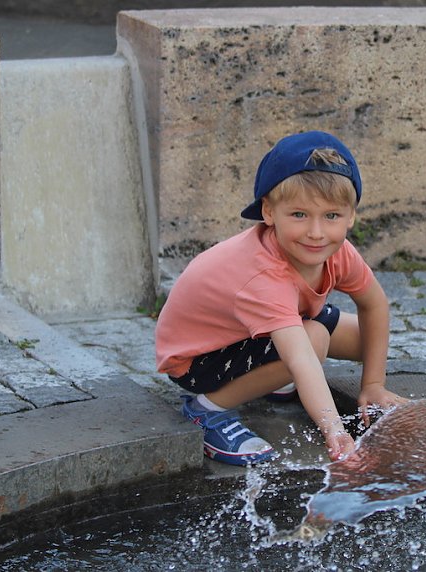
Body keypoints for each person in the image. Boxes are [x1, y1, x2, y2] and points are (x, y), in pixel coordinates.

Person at [155, 130, 407, 466]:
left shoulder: (338, 251)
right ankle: (207, 410)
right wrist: (334, 430)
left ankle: (272, 379)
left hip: (251, 332)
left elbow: (374, 305)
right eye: (299, 215)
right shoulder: (263, 275)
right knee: (313, 340)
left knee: (366, 342)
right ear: (269, 213)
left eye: (331, 216)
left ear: (350, 216)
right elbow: (302, 356)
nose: (316, 233)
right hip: (198, 358)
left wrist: (373, 384)